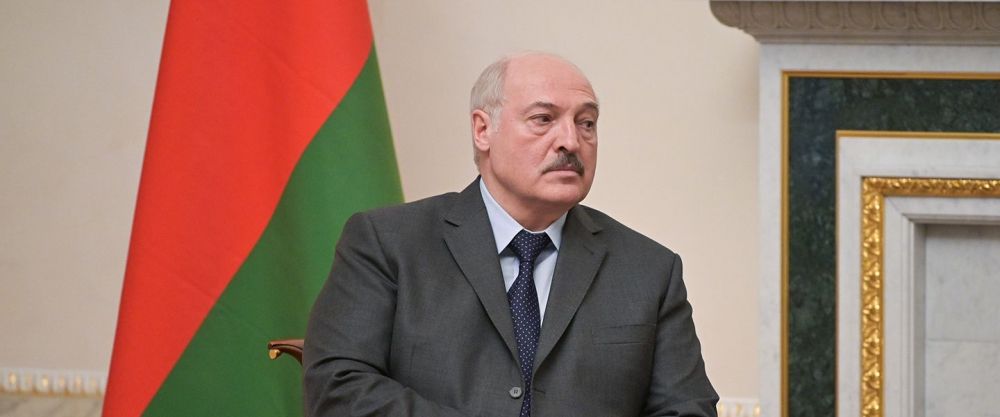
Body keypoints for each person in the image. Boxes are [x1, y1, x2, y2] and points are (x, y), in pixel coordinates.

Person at [303, 52, 718, 417]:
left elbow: (687, 409)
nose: (571, 141)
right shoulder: (387, 242)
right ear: (483, 130)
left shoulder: (649, 270)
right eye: (543, 119)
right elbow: (338, 388)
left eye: (586, 123)